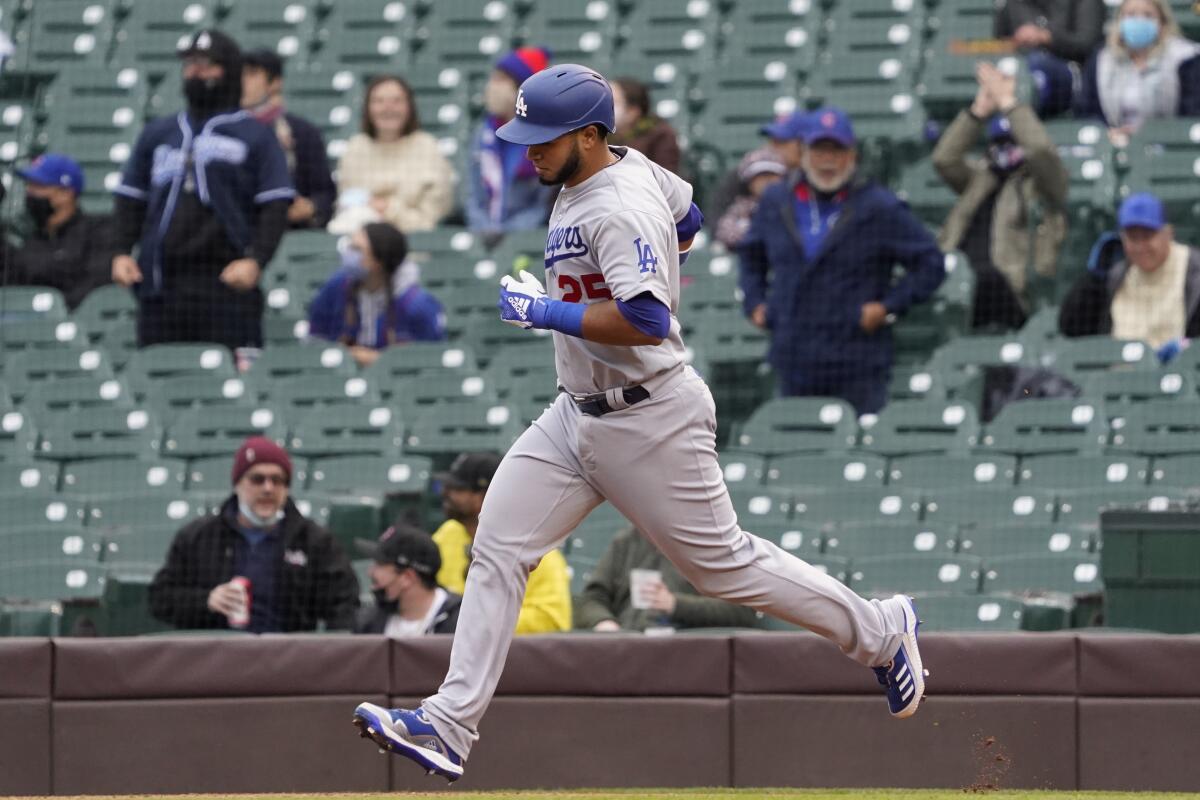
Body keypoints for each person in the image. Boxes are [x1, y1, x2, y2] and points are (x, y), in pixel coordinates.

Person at [351, 66, 927, 784]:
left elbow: (649, 321)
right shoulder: (627, 169)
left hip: (648, 416)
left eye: (543, 139)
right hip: (575, 414)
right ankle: (449, 724)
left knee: (723, 567)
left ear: (590, 136)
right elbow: (687, 218)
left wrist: (545, 312)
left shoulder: (615, 204)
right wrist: (654, 258)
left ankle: (879, 633)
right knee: (497, 545)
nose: (527, 151)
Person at [739, 107, 946, 414]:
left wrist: (887, 306)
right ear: (803, 152)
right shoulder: (776, 200)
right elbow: (751, 255)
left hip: (855, 358)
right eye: (819, 149)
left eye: (838, 150)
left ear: (853, 155)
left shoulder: (878, 207)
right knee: (797, 448)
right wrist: (755, 302)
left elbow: (931, 263)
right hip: (794, 353)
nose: (828, 160)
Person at [111, 29, 294, 354]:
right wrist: (122, 251)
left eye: (208, 65)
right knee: (161, 379)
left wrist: (256, 260)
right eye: (191, 64)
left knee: (229, 386)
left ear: (229, 71)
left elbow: (275, 204)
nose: (197, 72)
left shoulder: (255, 134)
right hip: (162, 283)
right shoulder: (159, 132)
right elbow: (131, 198)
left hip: (225, 282)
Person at [149, 436, 359, 633]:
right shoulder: (199, 537)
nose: (268, 489)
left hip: (288, 660)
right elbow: (160, 599)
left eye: (277, 480)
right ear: (238, 484)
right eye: (257, 479)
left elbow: (345, 605)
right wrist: (206, 600)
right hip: (216, 658)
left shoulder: (315, 542)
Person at [933, 62, 1068, 330]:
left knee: (985, 277)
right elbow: (944, 159)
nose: (1005, 150)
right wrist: (978, 112)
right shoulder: (982, 177)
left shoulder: (1043, 184)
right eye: (999, 143)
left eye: (1012, 142)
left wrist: (1009, 103)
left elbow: (1041, 150)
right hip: (959, 284)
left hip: (1011, 292)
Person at [430, 451, 571, 635]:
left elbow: (552, 620)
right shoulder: (448, 533)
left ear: (487, 495)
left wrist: (474, 621)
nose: (446, 493)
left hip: (511, 656)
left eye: (458, 489)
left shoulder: (536, 550)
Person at [1060, 192, 1200, 358]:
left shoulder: (1193, 270)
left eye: (1148, 236)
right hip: (1120, 373)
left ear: (1168, 233)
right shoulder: (1116, 275)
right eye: (1133, 238)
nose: (1140, 247)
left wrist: (1191, 348)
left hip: (1177, 375)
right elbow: (1070, 327)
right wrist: (1094, 278)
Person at [307, 221, 446, 367]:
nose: (349, 255)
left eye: (357, 250)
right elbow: (315, 339)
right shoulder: (337, 286)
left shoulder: (416, 304)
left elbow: (432, 359)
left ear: (378, 261)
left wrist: (380, 361)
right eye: (350, 247)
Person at [574, 527, 761, 632]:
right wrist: (603, 622)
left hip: (686, 652)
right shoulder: (626, 541)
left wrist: (675, 605)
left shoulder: (712, 542)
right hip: (625, 644)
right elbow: (592, 599)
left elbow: (742, 611)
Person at [333, 75, 454, 233]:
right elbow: (346, 206)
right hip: (362, 241)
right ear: (367, 108)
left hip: (414, 240)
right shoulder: (355, 148)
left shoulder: (428, 147)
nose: (388, 108)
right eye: (379, 101)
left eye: (397, 101)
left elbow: (431, 218)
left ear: (410, 107)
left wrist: (388, 209)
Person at [465, 47, 556, 243]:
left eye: (500, 80)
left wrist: (508, 234)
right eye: (493, 79)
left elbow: (543, 204)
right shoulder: (483, 132)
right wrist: (484, 228)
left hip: (527, 238)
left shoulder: (545, 137)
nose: (491, 87)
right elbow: (472, 194)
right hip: (483, 234)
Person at [1075, 0, 1200, 140]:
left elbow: (1191, 115)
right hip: (1113, 142)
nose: (1139, 20)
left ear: (1162, 24)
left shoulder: (1185, 58)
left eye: (1148, 15)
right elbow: (1086, 112)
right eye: (1130, 15)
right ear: (1119, 22)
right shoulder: (1101, 59)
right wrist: (1107, 135)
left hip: (1168, 144)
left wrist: (1148, 134)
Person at [241, 48, 336, 230]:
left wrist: (310, 207)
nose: (242, 82)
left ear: (275, 83)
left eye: (252, 74)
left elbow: (324, 193)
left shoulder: (302, 132)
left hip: (289, 229)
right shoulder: (217, 131)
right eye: (238, 74)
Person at [7, 153, 113, 309]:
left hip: (74, 325)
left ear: (66, 193)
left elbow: (94, 288)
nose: (30, 193)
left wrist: (54, 310)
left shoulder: (98, 231)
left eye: (38, 186)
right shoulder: (25, 235)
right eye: (28, 186)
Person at [994, 0, 1107, 116]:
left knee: (1037, 64)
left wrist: (1046, 36)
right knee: (1009, 66)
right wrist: (1016, 41)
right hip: (1022, 67)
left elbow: (1087, 43)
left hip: (1072, 71)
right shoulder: (1013, 4)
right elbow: (1000, 43)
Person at [355, 523, 462, 637]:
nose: (370, 572)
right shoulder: (369, 622)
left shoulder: (460, 622)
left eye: (379, 564)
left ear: (407, 577)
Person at [706, 110, 808, 227]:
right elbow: (716, 219)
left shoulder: (816, 181)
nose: (772, 147)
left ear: (803, 145)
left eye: (781, 141)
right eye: (771, 140)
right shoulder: (745, 174)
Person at [714, 147, 787, 250]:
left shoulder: (791, 204)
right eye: (760, 176)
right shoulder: (741, 208)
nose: (766, 181)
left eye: (772, 175)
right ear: (749, 183)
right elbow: (725, 234)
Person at [610, 77, 682, 175]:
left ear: (632, 111)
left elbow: (665, 181)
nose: (603, 106)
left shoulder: (661, 136)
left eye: (613, 102)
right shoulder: (599, 134)